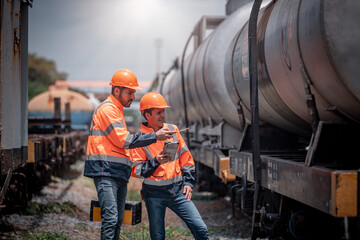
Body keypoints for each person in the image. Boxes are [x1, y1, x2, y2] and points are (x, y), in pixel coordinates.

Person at [84, 70, 175, 240]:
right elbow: (123, 141)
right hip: (106, 172)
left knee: (116, 220)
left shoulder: (117, 111)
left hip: (117, 173)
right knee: (111, 219)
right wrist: (155, 136)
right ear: (116, 90)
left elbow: (120, 146)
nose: (133, 97)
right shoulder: (108, 110)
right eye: (130, 92)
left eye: (134, 93)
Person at [131, 91, 210, 240]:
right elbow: (137, 171)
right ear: (147, 115)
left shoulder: (173, 131)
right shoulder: (139, 139)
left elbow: (186, 158)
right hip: (154, 195)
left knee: (200, 229)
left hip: (178, 192)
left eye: (164, 111)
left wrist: (188, 182)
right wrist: (156, 162)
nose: (163, 115)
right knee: (158, 236)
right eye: (158, 112)